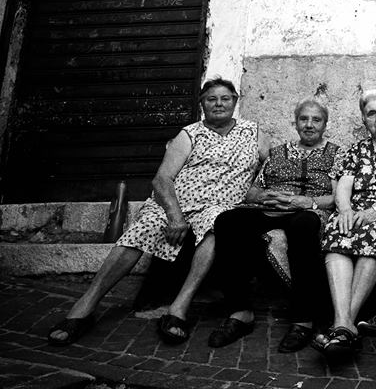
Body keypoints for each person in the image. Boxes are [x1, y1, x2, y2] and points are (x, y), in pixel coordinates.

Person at [47, 77, 270, 346]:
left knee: (218, 224)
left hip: (219, 207)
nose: (219, 104)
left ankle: (179, 307)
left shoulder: (253, 132)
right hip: (174, 203)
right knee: (142, 228)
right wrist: (174, 214)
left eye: (225, 98)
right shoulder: (190, 134)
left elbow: (272, 169)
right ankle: (85, 305)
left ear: (235, 101)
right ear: (202, 104)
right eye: (211, 99)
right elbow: (162, 179)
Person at [207, 99, 342, 352]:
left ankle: (303, 319)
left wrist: (306, 201)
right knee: (227, 221)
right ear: (296, 122)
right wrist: (268, 197)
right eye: (304, 119)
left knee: (304, 226)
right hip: (271, 209)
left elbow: (336, 197)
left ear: (325, 124)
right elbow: (252, 191)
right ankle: (240, 311)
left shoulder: (337, 153)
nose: (309, 125)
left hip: (309, 210)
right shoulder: (278, 152)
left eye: (316, 120)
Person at [313, 88, 376, 356]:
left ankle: (341, 324)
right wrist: (345, 209)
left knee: (374, 231)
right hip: (357, 210)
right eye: (371, 113)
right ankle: (345, 326)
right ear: (364, 120)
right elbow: (344, 186)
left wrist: (373, 211)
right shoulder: (356, 150)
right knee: (337, 228)